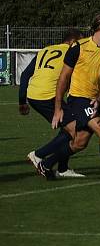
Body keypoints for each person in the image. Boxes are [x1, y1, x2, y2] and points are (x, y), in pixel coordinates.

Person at [34, 12, 100, 187]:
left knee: (80, 142)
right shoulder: (78, 47)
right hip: (78, 100)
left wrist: (99, 98)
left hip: (93, 101)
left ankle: (46, 164)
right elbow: (63, 78)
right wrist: (58, 108)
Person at [19, 28, 85, 177]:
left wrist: (22, 101)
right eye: (80, 42)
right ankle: (39, 155)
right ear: (73, 41)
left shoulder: (45, 50)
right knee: (77, 130)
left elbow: (25, 75)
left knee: (69, 129)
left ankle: (63, 168)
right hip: (47, 96)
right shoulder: (71, 53)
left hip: (34, 95)